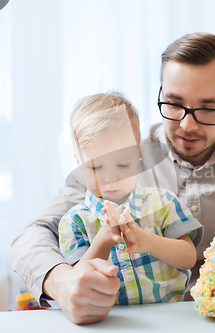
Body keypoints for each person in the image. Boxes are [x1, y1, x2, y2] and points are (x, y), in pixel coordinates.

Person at [11, 32, 215, 325]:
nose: (187, 124)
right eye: (174, 103)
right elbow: (32, 236)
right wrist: (61, 281)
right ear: (161, 92)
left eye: (208, 108)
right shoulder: (116, 151)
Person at [58, 92, 203, 306]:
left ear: (137, 155)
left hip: (168, 316)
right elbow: (76, 281)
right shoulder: (74, 221)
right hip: (107, 322)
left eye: (122, 165)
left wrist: (148, 241)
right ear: (79, 162)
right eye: (96, 167)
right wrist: (103, 241)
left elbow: (189, 257)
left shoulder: (163, 203)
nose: (110, 178)